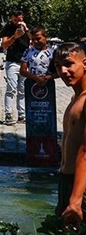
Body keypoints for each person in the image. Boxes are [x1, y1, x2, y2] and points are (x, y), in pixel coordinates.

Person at [53, 43, 86, 228]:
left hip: (81, 186)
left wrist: (75, 200)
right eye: (58, 66)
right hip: (66, 181)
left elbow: (85, 151)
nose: (63, 71)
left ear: (85, 64)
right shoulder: (75, 99)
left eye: (68, 64)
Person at [0, 10, 30, 125]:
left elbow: (35, 41)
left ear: (23, 18)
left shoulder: (27, 27)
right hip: (12, 62)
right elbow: (4, 44)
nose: (17, 22)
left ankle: (22, 115)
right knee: (11, 88)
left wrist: (26, 29)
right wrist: (15, 37)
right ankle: (8, 114)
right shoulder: (8, 28)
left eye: (19, 20)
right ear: (11, 19)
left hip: (25, 63)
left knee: (22, 90)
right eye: (15, 20)